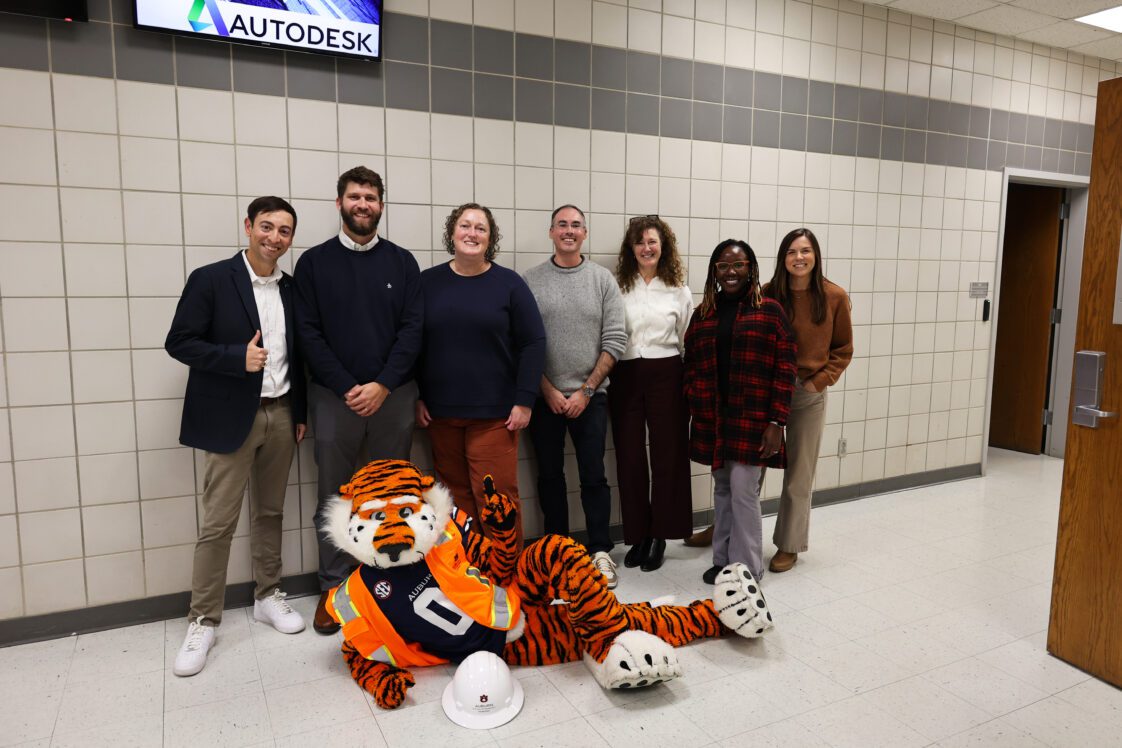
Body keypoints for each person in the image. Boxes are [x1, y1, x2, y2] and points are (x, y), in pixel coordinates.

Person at [165, 196, 308, 676]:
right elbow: (179, 341)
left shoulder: (293, 288)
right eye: (266, 226)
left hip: (282, 413)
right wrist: (234, 358)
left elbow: (300, 357)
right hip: (231, 417)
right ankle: (203, 618)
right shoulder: (211, 279)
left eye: (284, 231)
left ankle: (268, 595)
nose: (274, 237)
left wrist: (301, 411)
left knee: (270, 512)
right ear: (248, 227)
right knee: (218, 523)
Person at [293, 166, 423, 634]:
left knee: (396, 494)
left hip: (394, 395)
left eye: (371, 197)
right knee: (335, 496)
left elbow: (413, 331)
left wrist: (383, 384)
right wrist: (349, 385)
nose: (362, 204)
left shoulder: (403, 263)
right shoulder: (313, 264)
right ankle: (333, 589)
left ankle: (395, 583)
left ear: (381, 205)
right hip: (333, 396)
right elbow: (307, 333)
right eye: (354, 196)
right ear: (339, 204)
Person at [416, 203, 546, 551]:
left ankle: (507, 580)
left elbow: (533, 343)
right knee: (455, 503)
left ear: (490, 238)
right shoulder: (427, 283)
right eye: (465, 226)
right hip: (440, 415)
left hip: (495, 416)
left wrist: (524, 400)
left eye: (480, 228)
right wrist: (416, 396)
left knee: (496, 501)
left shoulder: (509, 284)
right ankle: (470, 574)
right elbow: (411, 342)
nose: (471, 233)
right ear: (452, 233)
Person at [523, 205, 628, 588]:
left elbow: (615, 338)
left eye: (576, 225)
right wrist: (547, 390)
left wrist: (586, 390)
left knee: (593, 475)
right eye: (562, 225)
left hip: (591, 398)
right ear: (551, 231)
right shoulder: (530, 281)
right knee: (549, 476)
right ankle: (558, 552)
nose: (569, 231)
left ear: (585, 234)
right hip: (543, 398)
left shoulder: (602, 280)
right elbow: (522, 343)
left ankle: (600, 550)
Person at [684, 239, 796, 584]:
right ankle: (722, 561)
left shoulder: (770, 311)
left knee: (743, 490)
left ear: (751, 269)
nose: (730, 272)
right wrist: (695, 402)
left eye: (738, 265)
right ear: (714, 271)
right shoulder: (703, 314)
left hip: (754, 420)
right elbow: (691, 364)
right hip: (715, 419)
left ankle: (746, 568)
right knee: (722, 489)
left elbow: (785, 367)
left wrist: (777, 421)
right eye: (723, 266)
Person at [762, 228, 853, 572]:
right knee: (750, 467)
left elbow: (843, 349)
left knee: (799, 473)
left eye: (805, 251)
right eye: (791, 252)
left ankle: (789, 544)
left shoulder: (834, 296)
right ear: (783, 259)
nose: (799, 258)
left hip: (807, 391)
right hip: (769, 389)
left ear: (815, 256)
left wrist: (819, 382)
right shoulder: (769, 294)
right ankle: (733, 533)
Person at [609, 215, 694, 572]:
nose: (647, 248)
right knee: (629, 456)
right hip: (625, 373)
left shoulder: (678, 289)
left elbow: (686, 337)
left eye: (653, 242)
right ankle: (638, 534)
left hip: (668, 373)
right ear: (631, 249)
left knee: (668, 456)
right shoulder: (618, 286)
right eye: (640, 242)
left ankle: (661, 534)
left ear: (664, 247)